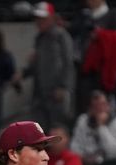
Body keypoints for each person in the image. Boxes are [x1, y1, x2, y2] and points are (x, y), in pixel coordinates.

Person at [26, 2, 74, 132]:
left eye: (43, 18)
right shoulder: (39, 39)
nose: (39, 22)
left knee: (58, 129)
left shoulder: (61, 35)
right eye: (38, 18)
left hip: (56, 93)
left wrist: (63, 87)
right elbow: (37, 66)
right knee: (40, 130)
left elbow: (68, 63)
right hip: (40, 93)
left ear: (52, 18)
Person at [69, 0, 116, 115]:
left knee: (100, 108)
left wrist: (100, 35)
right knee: (83, 109)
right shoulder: (84, 15)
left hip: (101, 73)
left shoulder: (112, 15)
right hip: (83, 71)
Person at [70, 91, 116, 165]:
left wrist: (101, 126)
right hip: (91, 163)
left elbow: (112, 151)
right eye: (96, 106)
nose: (100, 109)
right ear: (90, 109)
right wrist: (83, 157)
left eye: (103, 104)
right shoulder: (83, 120)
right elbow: (74, 146)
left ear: (109, 106)